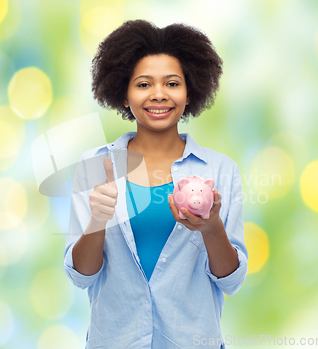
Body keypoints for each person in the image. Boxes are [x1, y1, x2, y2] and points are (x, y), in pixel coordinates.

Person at [64, 19, 248, 349]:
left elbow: (231, 281)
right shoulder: (95, 166)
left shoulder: (221, 170)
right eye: (144, 84)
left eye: (172, 83)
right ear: (123, 93)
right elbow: (81, 276)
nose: (159, 94)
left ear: (190, 91)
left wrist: (212, 227)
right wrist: (98, 220)